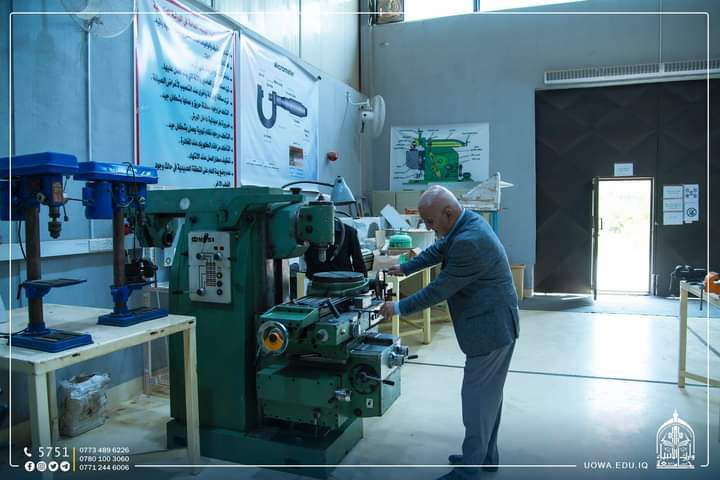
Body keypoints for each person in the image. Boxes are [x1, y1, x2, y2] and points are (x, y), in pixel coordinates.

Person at [379, 185, 519, 480]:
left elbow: (438, 290)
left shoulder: (470, 241)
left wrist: (398, 307)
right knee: (488, 398)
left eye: (430, 221)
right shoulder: (464, 223)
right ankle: (485, 457)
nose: (428, 227)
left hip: (490, 328)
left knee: (477, 400)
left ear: (449, 212)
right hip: (494, 323)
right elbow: (437, 250)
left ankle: (468, 470)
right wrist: (404, 268)